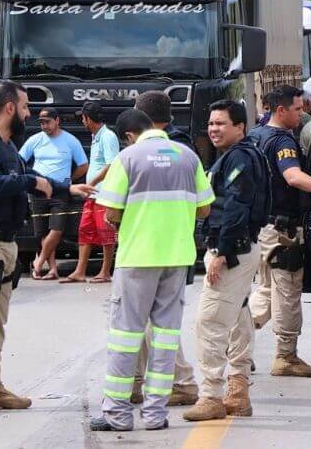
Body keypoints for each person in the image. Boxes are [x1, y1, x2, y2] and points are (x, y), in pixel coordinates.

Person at [0, 81, 94, 415]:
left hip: (5, 244)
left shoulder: (7, 148)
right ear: (10, 108)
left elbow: (31, 176)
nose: (30, 115)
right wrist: (31, 182)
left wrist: (67, 188)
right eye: (27, 107)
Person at [89, 109, 214, 432]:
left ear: (129, 135)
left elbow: (111, 211)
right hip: (177, 257)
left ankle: (117, 413)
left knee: (125, 336)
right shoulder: (187, 157)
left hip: (137, 258)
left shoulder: (128, 158)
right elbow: (204, 208)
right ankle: (155, 415)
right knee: (165, 337)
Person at [245, 85, 311, 377]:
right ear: (281, 110)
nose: (301, 113)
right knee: (287, 291)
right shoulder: (282, 142)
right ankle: (286, 356)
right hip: (282, 230)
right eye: (297, 108)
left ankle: (235, 345)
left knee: (266, 290)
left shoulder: (255, 135)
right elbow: (292, 177)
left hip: (263, 227)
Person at [184, 100, 269, 422]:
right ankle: (238, 392)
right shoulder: (238, 155)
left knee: (210, 322)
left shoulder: (240, 158)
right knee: (237, 318)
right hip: (238, 247)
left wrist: (221, 253)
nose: (214, 129)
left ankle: (211, 396)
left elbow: (236, 206)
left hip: (232, 249)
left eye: (221, 123)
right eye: (211, 124)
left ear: (240, 127)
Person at [131, 90, 199, 406]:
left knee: (153, 319)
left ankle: (182, 381)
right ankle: (139, 380)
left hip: (151, 247)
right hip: (173, 246)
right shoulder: (183, 150)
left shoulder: (145, 153)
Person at [19, 107, 88, 280]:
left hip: (60, 192)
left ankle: (39, 261)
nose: (44, 126)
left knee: (56, 229)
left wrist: (68, 180)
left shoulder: (70, 141)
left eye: (47, 122)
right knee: (41, 232)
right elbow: (19, 161)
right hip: (38, 191)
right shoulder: (34, 140)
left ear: (57, 120)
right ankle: (52, 269)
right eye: (41, 123)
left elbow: (83, 165)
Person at [63, 102, 119, 284]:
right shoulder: (95, 137)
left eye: (83, 118)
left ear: (88, 118)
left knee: (106, 232)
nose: (82, 122)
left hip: (103, 194)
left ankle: (105, 271)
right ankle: (80, 271)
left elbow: (111, 165)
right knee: (85, 230)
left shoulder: (108, 136)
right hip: (93, 195)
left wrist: (92, 182)